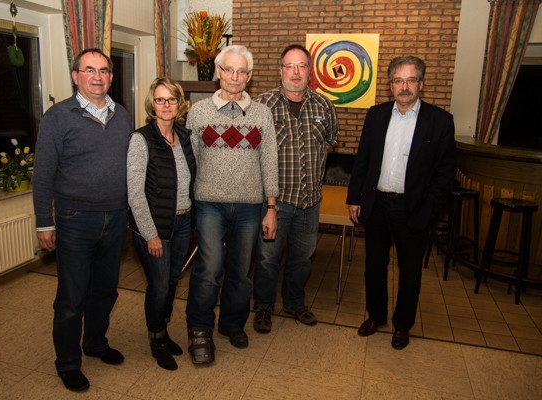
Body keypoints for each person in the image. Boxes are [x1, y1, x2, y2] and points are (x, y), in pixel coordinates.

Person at [33, 48, 133, 391]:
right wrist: (45, 222)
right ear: (76, 75)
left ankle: (94, 343)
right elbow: (43, 174)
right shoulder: (58, 117)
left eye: (104, 70)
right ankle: (68, 362)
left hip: (116, 215)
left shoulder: (123, 116)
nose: (97, 76)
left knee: (105, 290)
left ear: (111, 76)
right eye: (89, 70)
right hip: (75, 219)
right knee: (72, 296)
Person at [346, 55, 457, 350]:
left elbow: (445, 175)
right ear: (390, 84)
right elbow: (363, 160)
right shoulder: (376, 114)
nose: (404, 87)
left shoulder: (440, 121)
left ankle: (402, 325)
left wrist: (429, 209)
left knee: (409, 272)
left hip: (414, 209)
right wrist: (354, 198)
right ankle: (376, 316)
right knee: (374, 266)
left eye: (410, 80)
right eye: (398, 80)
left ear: (421, 83)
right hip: (377, 205)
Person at [185, 45, 279, 365]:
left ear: (249, 76)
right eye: (229, 69)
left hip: (251, 206)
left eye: (242, 71)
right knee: (209, 269)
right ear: (218, 72)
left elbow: (269, 162)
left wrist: (271, 207)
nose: (235, 77)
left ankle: (231, 324)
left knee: (241, 272)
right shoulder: (198, 111)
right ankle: (199, 329)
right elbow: (191, 159)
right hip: (209, 203)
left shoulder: (262, 114)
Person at [252, 44, 338, 333]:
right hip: (274, 203)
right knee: (267, 259)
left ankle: (294, 302)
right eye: (289, 66)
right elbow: (253, 154)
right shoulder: (262, 106)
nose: (296, 72)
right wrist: (269, 205)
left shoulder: (324, 106)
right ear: (280, 71)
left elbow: (329, 144)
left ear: (310, 71)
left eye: (301, 66)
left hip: (310, 202)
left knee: (302, 258)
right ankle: (263, 307)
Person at [127, 77, 196, 371]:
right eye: (160, 99)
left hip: (183, 222)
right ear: (152, 104)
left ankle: (164, 331)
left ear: (179, 103)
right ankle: (156, 339)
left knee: (171, 281)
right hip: (154, 227)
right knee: (157, 285)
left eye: (171, 99)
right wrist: (150, 234)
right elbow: (134, 192)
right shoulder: (141, 139)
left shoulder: (185, 135)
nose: (166, 105)